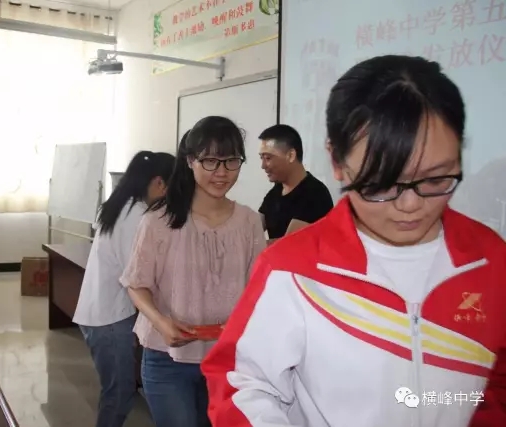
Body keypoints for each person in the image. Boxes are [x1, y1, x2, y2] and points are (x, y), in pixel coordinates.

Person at [202, 55, 506, 427]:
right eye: (380, 184)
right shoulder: (291, 270)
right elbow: (242, 385)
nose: (409, 205)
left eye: (435, 179)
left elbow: (494, 388)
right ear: (337, 161)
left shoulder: (489, 260)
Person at [121, 116, 267, 427]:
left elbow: (259, 288)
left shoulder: (249, 222)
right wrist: (160, 322)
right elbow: (135, 283)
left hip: (228, 360)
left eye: (231, 161)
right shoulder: (159, 220)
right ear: (190, 161)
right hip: (167, 359)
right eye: (210, 161)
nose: (222, 172)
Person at [73, 150, 176, 427]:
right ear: (159, 183)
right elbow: (139, 274)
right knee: (119, 394)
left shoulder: (124, 206)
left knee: (117, 390)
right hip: (109, 319)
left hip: (103, 313)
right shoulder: (136, 216)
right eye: (173, 188)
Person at [258, 124, 333, 239]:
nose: (263, 166)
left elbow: (288, 244)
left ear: (291, 155)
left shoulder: (315, 194)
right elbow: (252, 231)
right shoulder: (276, 191)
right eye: (261, 158)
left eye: (268, 158)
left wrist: (251, 244)